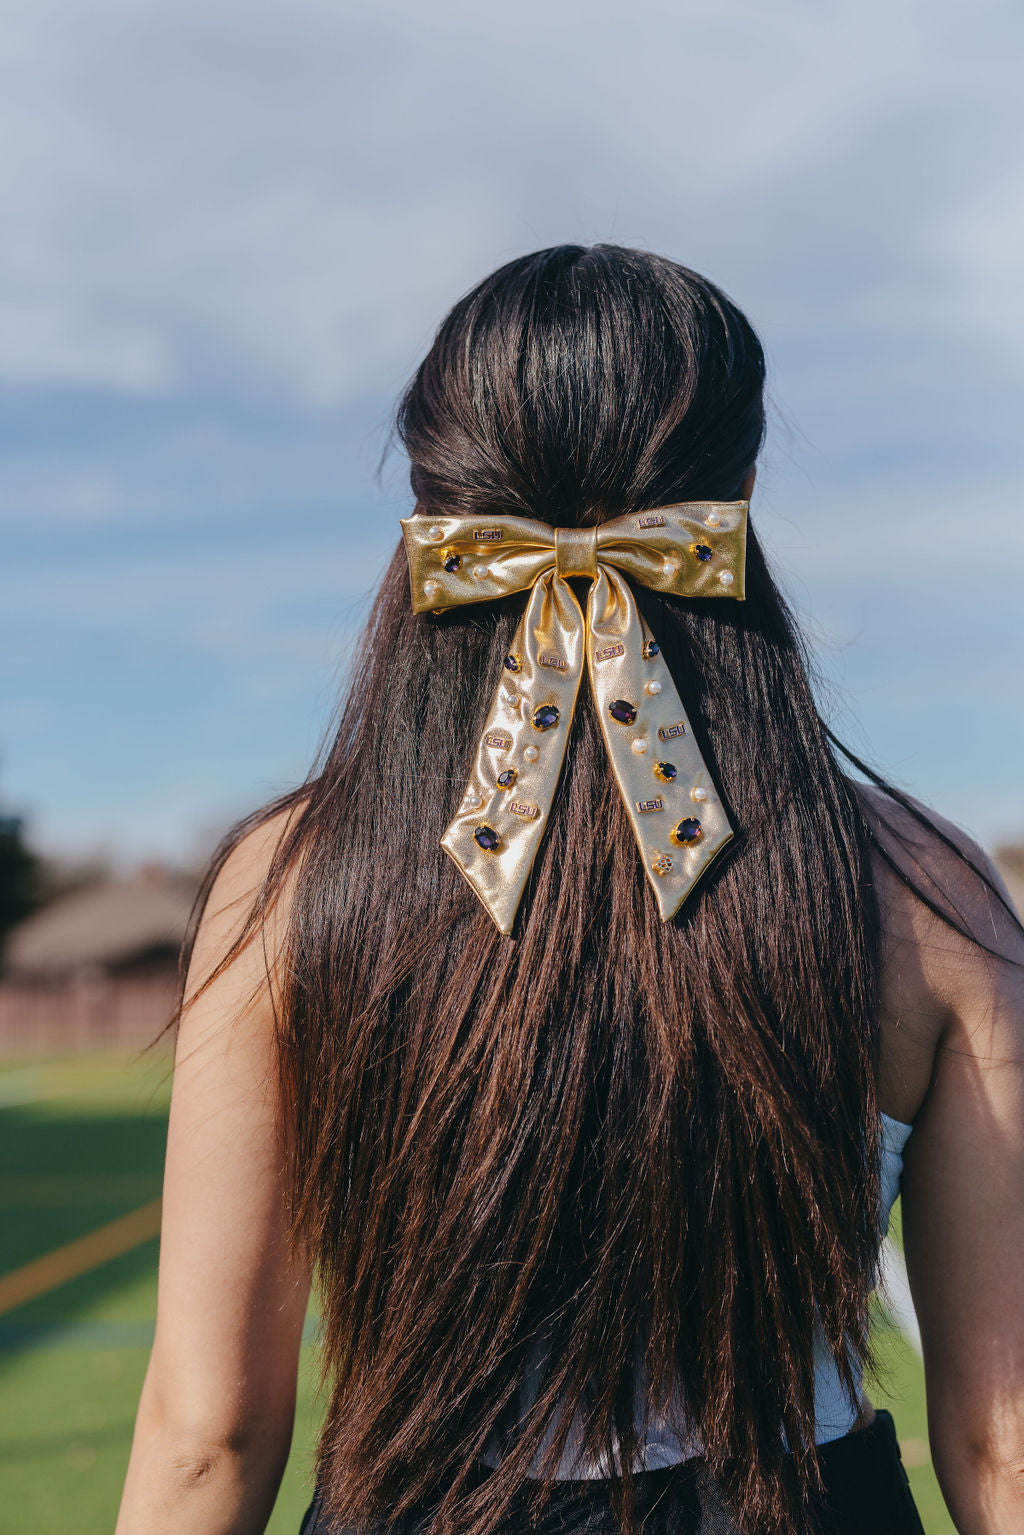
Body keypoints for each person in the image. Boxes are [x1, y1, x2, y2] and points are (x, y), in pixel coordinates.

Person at [115, 245, 1024, 1535]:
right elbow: (1003, 1434)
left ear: (433, 510)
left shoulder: (292, 883)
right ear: (739, 498)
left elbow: (211, 1430)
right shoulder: (927, 896)